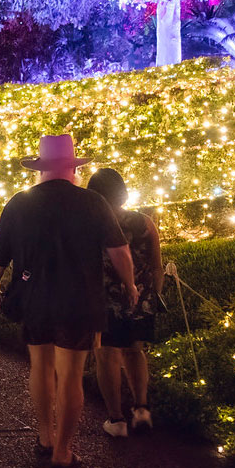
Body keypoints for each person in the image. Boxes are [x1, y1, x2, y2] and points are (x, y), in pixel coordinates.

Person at [0, 135, 137, 468]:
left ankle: (44, 436)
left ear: (40, 168)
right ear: (72, 167)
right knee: (70, 376)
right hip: (80, 301)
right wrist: (130, 284)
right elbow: (119, 250)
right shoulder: (93, 201)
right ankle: (63, 451)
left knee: (40, 367)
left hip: (35, 300)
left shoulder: (19, 203)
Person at [87, 167, 163, 436]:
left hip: (104, 301)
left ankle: (116, 419)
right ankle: (142, 409)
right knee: (134, 350)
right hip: (140, 300)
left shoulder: (91, 228)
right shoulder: (144, 222)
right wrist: (152, 296)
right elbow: (157, 266)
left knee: (105, 355)